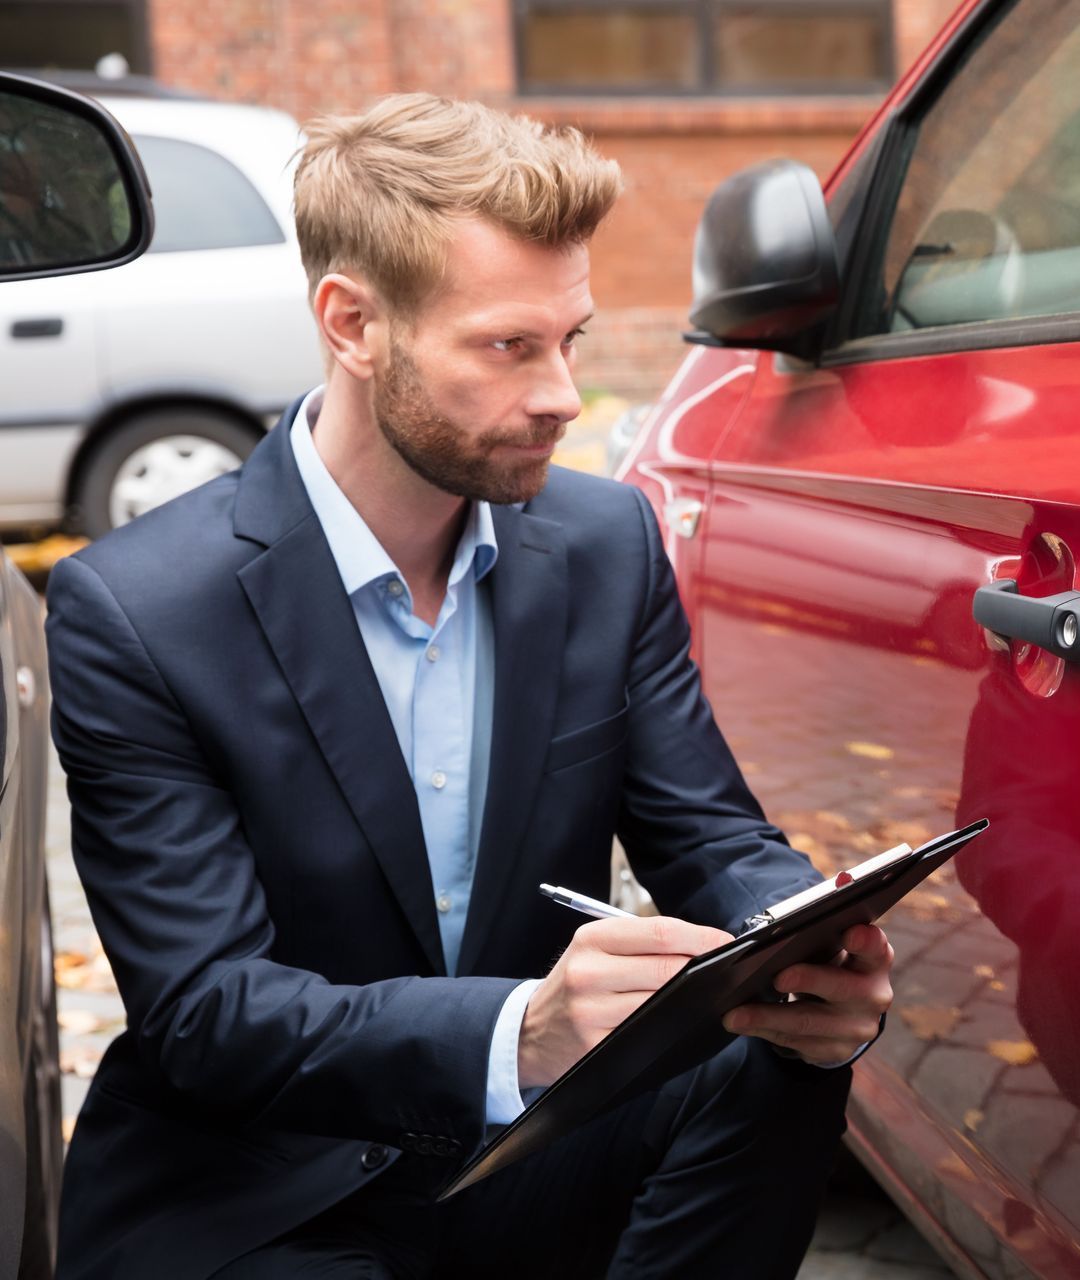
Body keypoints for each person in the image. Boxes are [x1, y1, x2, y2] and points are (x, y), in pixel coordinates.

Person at [44, 93, 892, 1279]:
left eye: (571, 340)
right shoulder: (137, 608)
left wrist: (802, 938)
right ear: (353, 323)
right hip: (265, 1188)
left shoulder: (605, 542)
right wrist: (521, 1027)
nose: (560, 393)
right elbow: (205, 1012)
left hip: (526, 1146)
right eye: (509, 345)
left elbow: (708, 833)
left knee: (775, 1063)